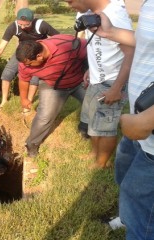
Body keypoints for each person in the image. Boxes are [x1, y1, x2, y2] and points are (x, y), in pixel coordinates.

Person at [90, 4, 154, 238]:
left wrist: (148, 119)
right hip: (139, 124)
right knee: (125, 173)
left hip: (148, 127)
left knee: (142, 206)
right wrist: (110, 32)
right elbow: (146, 41)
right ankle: (129, 217)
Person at [65, 0, 135, 169]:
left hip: (111, 82)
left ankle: (101, 163)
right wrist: (91, 69)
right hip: (96, 79)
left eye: (70, 1)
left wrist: (116, 88)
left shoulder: (115, 16)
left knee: (105, 127)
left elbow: (130, 54)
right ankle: (95, 153)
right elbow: (98, 47)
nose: (70, 6)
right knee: (93, 122)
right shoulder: (90, 13)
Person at [16, 35, 88, 158]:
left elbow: (91, 49)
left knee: (94, 104)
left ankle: (84, 126)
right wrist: (24, 99)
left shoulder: (66, 43)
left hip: (79, 81)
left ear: (39, 56)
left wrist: (89, 70)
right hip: (52, 85)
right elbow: (23, 79)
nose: (26, 67)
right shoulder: (25, 63)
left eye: (30, 64)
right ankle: (32, 143)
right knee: (45, 116)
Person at [0, 8, 59, 113]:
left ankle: (28, 103)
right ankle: (4, 101)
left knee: (34, 79)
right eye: (20, 24)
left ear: (32, 20)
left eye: (26, 25)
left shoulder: (41, 25)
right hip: (22, 52)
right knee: (7, 73)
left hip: (36, 54)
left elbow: (59, 38)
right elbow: (1, 47)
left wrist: (48, 52)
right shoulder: (14, 26)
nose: (22, 27)